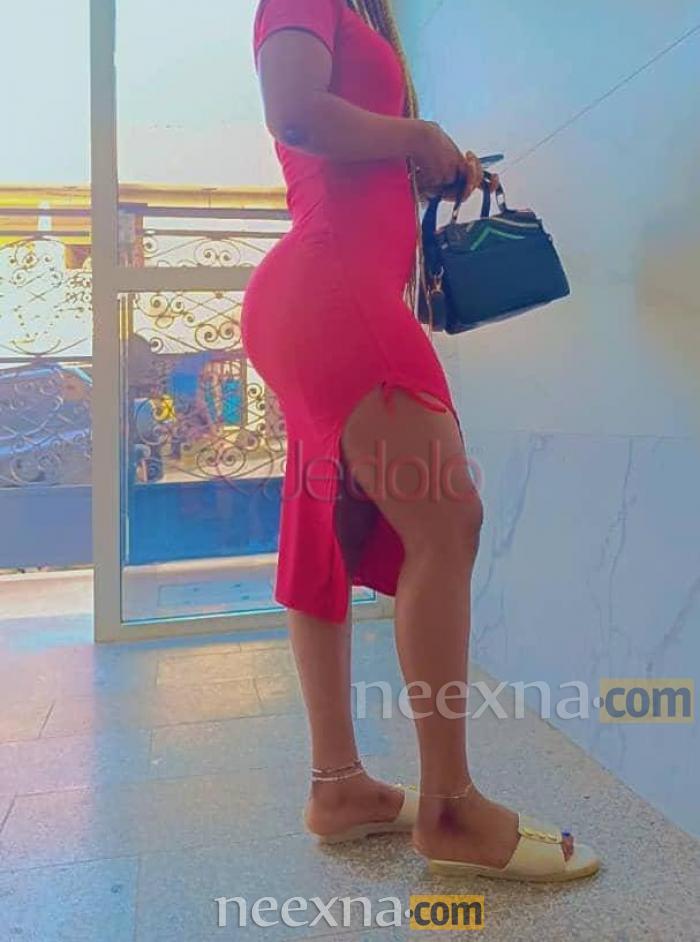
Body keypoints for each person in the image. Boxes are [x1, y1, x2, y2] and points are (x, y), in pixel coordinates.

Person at [242, 0, 599, 881]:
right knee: (447, 521)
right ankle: (448, 809)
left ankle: (339, 788)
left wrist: (421, 167)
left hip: (325, 293)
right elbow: (295, 112)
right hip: (331, 290)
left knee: (324, 537)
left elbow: (338, 145)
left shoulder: (359, 10)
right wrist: (417, 134)